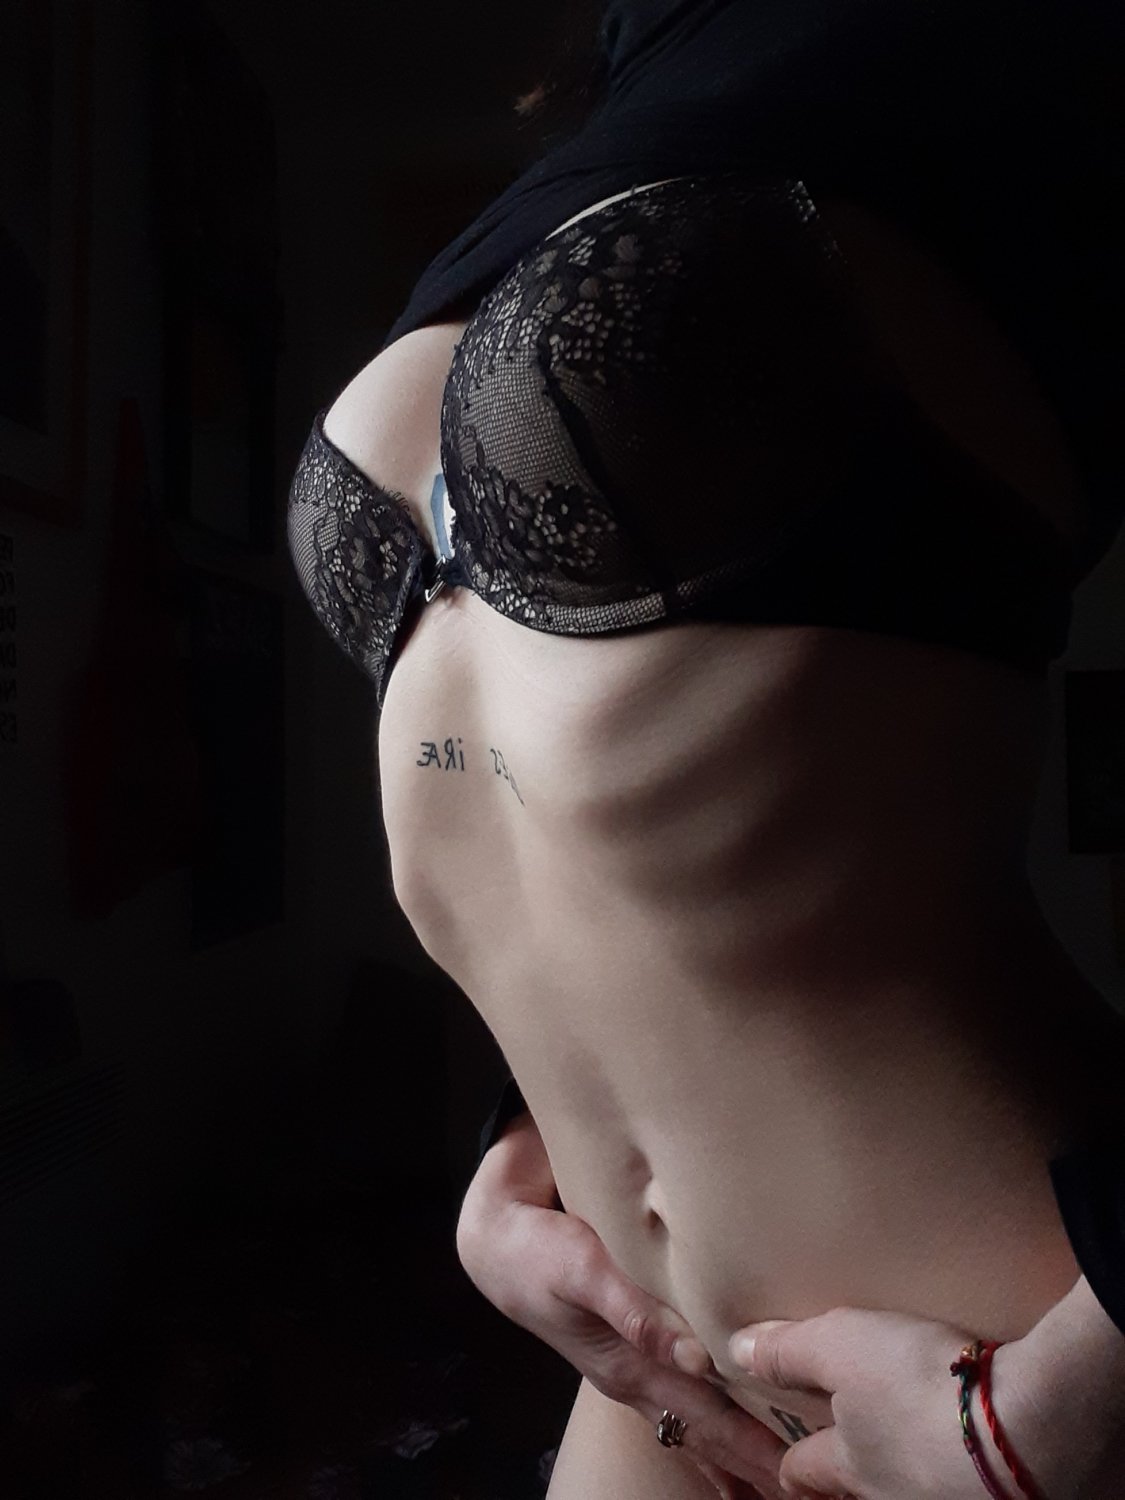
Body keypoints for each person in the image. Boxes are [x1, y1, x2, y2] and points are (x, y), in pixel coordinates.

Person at [288, 2, 1125, 1495]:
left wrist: (1074, 1401)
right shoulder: (614, 93)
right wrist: (521, 1153)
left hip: (1010, 1367)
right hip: (669, 1386)